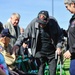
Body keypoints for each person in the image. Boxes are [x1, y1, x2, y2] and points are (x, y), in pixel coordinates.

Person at [12, 10, 63, 75]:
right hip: (39, 52)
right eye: (39, 23)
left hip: (52, 53)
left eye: (43, 23)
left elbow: (60, 36)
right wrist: (17, 45)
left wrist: (59, 47)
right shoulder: (33, 23)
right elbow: (24, 35)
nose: (41, 24)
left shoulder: (53, 22)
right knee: (40, 71)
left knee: (52, 72)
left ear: (47, 20)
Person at [64, 0, 75, 75]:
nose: (66, 9)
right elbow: (69, 33)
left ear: (72, 4)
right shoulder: (73, 19)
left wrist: (71, 50)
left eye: (67, 7)